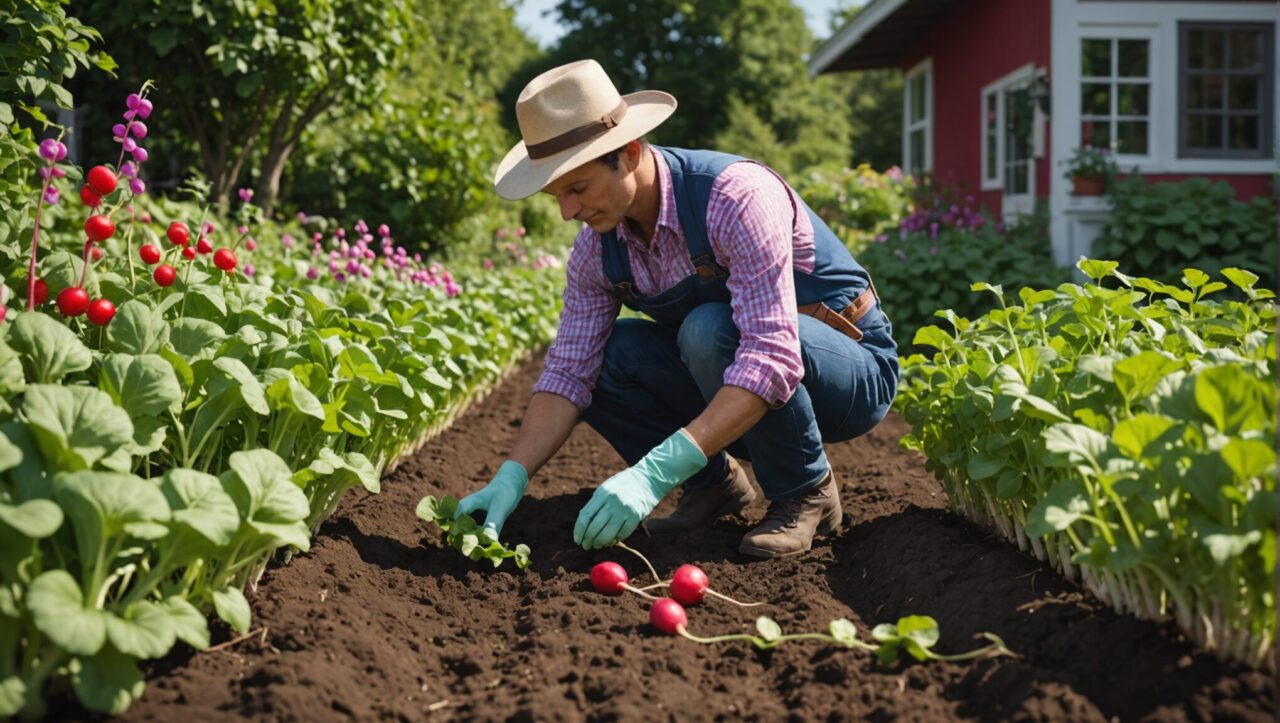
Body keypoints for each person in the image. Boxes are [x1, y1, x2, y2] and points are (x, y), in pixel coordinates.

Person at [456, 59, 899, 559]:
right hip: (734, 373)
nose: (567, 212)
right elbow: (567, 373)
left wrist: (654, 471)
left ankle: (807, 493)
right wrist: (511, 476)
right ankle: (714, 486)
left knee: (709, 328)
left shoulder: (733, 198)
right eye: (556, 196)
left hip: (848, 367)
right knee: (607, 356)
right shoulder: (595, 251)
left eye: (577, 188)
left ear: (627, 153)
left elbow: (771, 355)